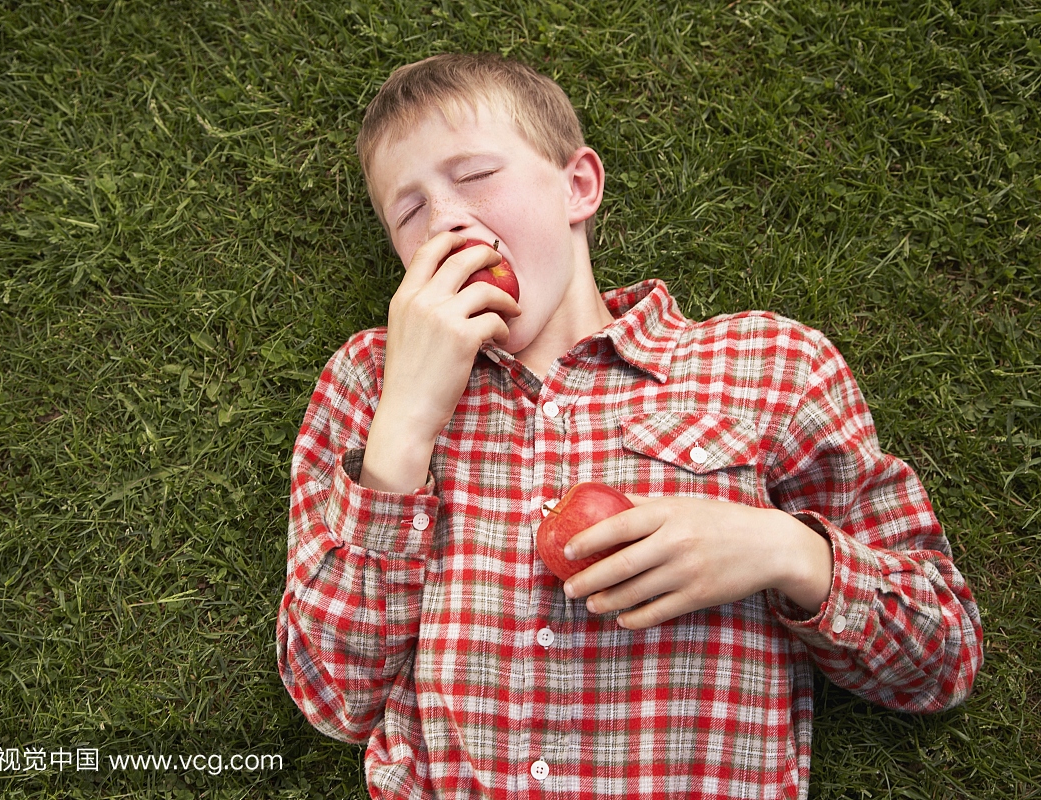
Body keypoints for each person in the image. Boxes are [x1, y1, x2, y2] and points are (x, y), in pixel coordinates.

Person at [276, 53, 983, 799]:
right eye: (409, 212)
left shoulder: (768, 363)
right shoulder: (370, 381)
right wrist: (405, 430)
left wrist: (787, 551)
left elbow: (944, 654)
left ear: (578, 186)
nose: (446, 219)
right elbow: (335, 696)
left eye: (475, 176)